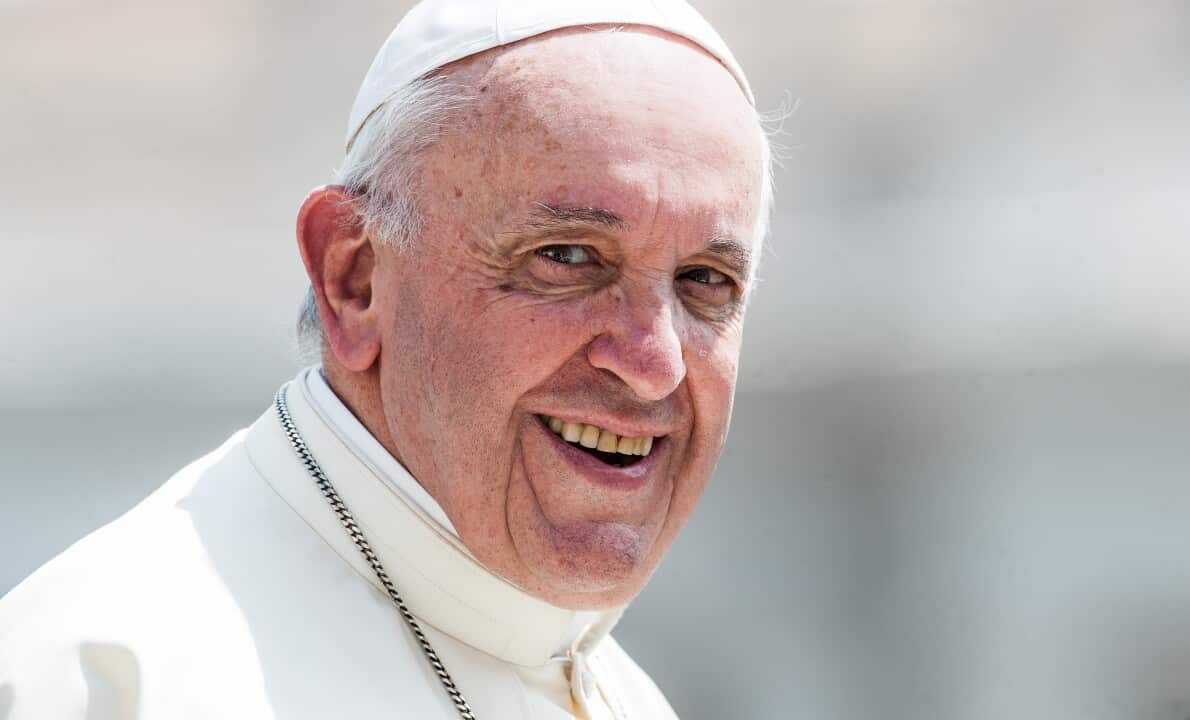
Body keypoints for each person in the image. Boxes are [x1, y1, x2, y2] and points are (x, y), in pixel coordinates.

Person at [0, 1, 773, 717]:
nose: (653, 362)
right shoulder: (102, 680)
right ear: (354, 280)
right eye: (568, 256)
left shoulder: (624, 698)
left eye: (706, 281)